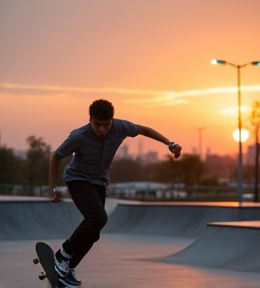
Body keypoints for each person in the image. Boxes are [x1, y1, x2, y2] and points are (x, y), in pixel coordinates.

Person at [49, 99, 182, 287]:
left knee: (94, 233)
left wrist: (169, 143)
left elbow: (144, 129)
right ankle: (62, 255)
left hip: (99, 181)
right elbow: (56, 156)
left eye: (107, 125)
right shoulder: (78, 136)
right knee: (98, 218)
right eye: (98, 125)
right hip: (77, 179)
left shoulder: (121, 127)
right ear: (90, 120)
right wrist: (52, 189)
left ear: (112, 120)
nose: (103, 130)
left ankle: (66, 269)